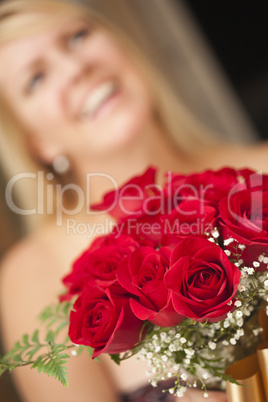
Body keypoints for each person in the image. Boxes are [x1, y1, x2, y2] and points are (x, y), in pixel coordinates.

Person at [0, 0, 267, 401]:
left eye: (77, 36)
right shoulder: (35, 274)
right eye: (36, 79)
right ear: (37, 141)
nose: (76, 68)